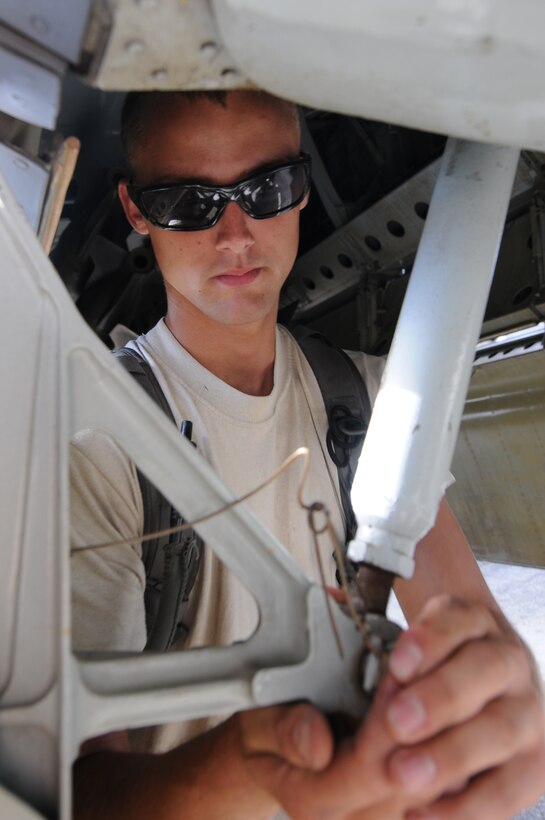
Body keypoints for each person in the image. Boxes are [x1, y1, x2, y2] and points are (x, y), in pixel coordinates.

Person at [71, 89, 545, 819]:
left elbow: (468, 630)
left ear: (299, 191)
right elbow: (77, 784)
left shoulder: (373, 397)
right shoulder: (97, 437)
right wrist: (260, 770)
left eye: (266, 190)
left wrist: (496, 708)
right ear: (135, 211)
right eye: (188, 203)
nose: (235, 235)